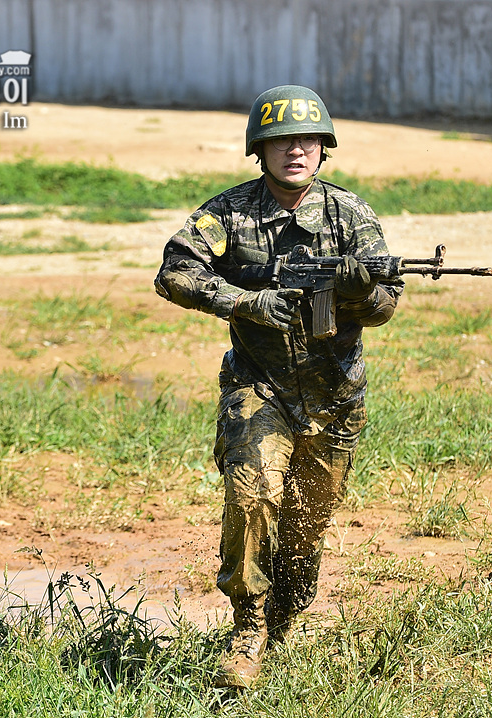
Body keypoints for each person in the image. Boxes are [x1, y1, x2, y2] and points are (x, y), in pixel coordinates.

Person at [154, 85, 402, 689]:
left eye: (308, 139)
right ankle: (245, 627)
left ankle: (284, 620)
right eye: (281, 141)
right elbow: (173, 273)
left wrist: (355, 289)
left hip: (335, 398)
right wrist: (246, 301)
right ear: (258, 150)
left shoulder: (351, 216)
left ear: (324, 148)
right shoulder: (228, 214)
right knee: (250, 499)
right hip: (257, 387)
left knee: (304, 526)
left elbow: (386, 302)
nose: (296, 150)